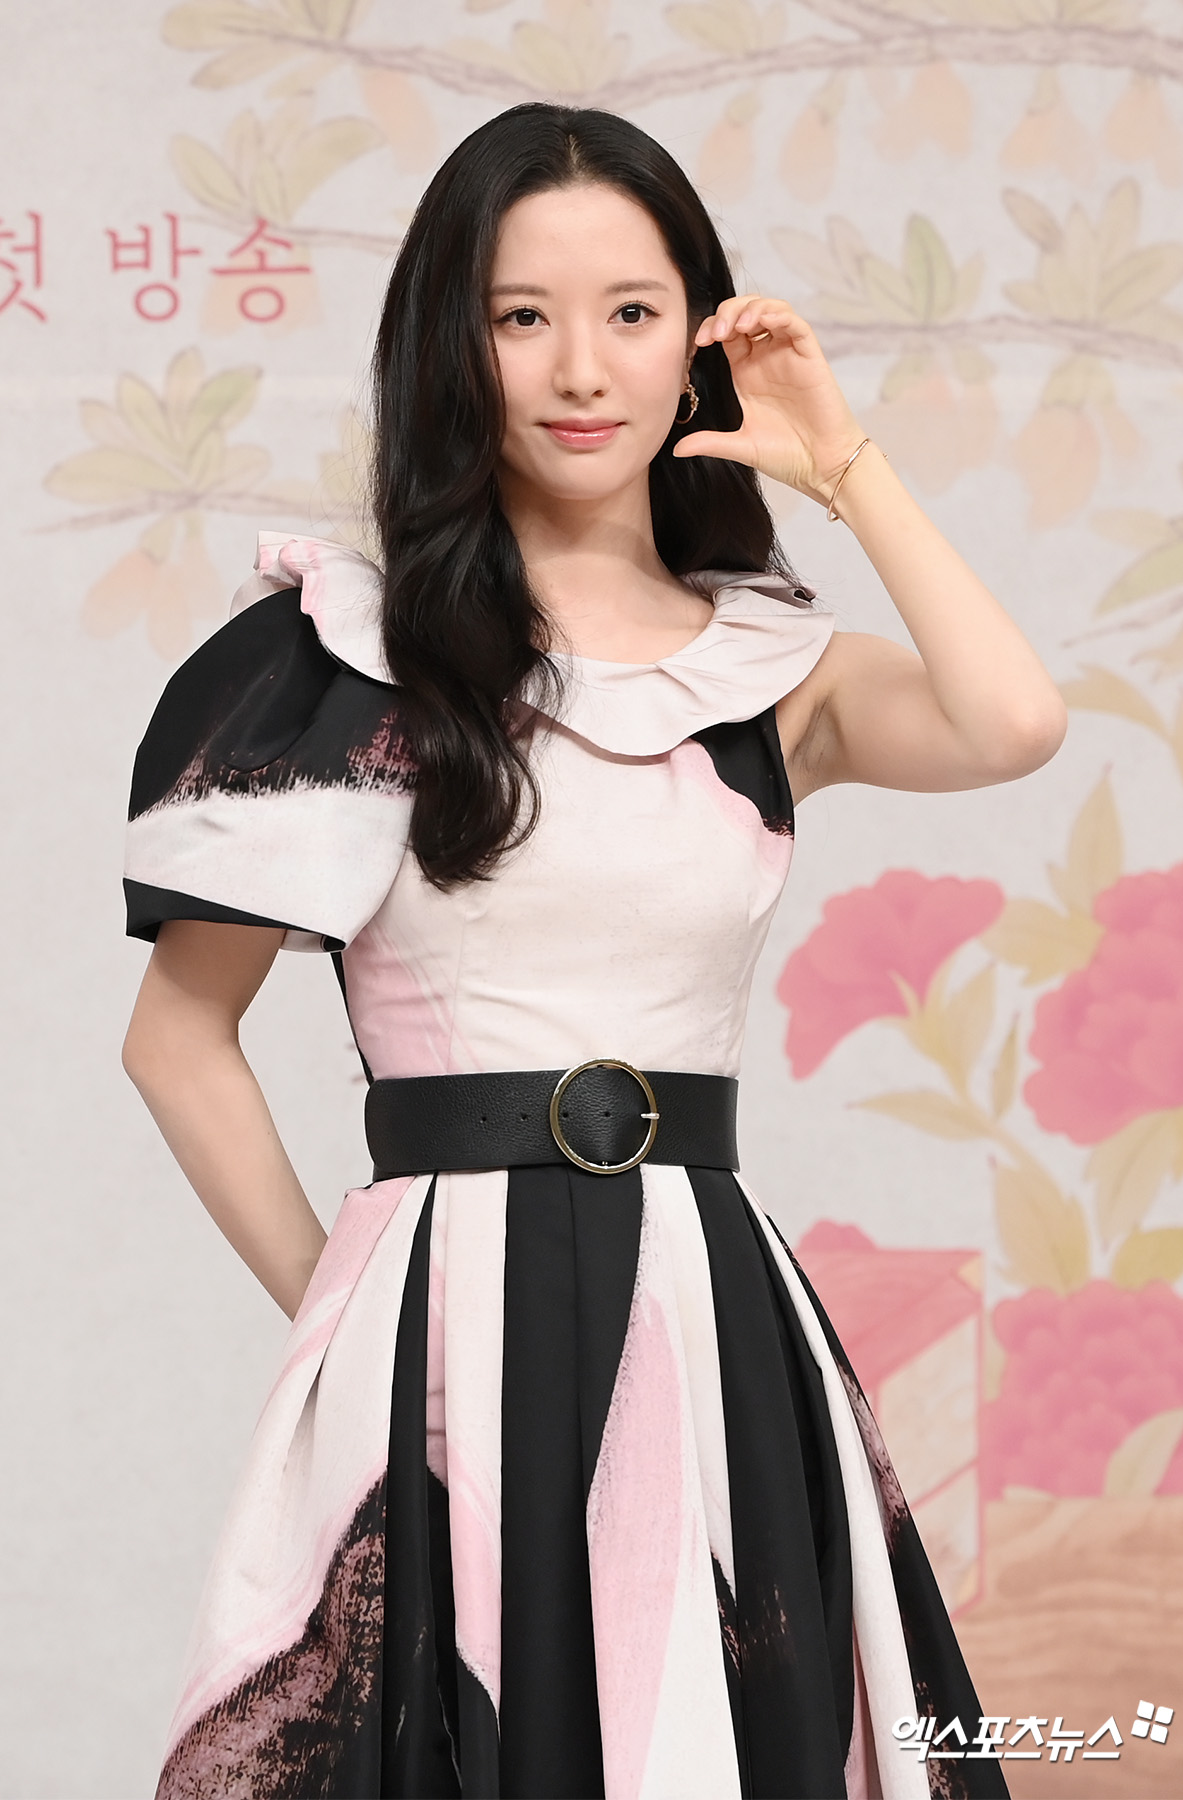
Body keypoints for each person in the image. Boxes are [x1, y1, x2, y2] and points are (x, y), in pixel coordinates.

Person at [122, 102, 1063, 1800]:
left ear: (698, 336)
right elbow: (176, 1038)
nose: (580, 369)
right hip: (441, 1315)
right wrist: (346, 1323)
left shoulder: (769, 674)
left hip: (708, 1304)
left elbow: (1014, 723)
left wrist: (845, 465)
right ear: (452, 341)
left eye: (633, 312)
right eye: (520, 315)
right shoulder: (340, 660)